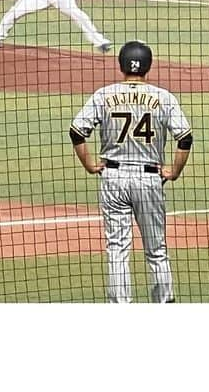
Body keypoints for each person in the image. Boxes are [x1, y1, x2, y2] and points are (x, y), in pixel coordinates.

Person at [68, 39, 193, 304]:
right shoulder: (163, 97)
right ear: (148, 66)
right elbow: (185, 138)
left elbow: (77, 132)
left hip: (113, 178)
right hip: (149, 179)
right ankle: (164, 304)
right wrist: (174, 172)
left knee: (117, 250)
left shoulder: (104, 95)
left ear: (121, 65)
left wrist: (90, 165)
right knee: (157, 250)